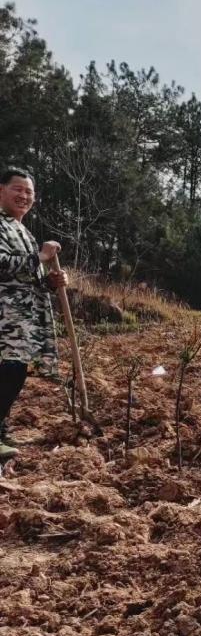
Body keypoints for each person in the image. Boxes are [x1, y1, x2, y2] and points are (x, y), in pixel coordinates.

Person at [0, 168, 68, 458]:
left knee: (13, 373)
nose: (24, 196)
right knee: (10, 372)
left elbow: (29, 276)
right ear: (1, 190)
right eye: (18, 189)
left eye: (29, 192)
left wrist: (51, 282)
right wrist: (39, 256)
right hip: (5, 319)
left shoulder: (23, 230)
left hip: (21, 321)